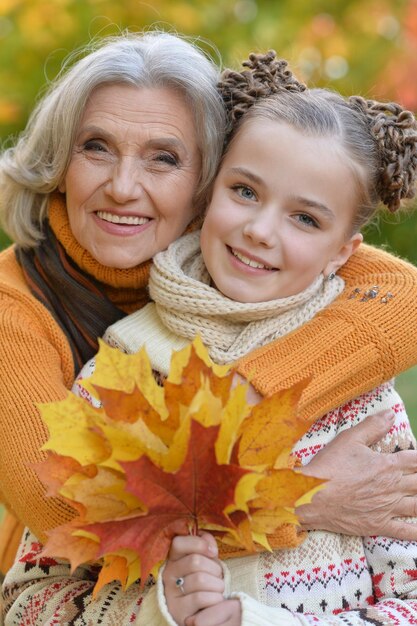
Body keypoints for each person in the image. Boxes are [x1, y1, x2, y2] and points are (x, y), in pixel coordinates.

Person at [1, 32, 417, 622]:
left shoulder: (355, 382)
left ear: (202, 181)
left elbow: (403, 292)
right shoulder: (104, 364)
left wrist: (244, 394)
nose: (123, 186)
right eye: (95, 147)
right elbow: (72, 526)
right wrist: (302, 496)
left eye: (163, 157)